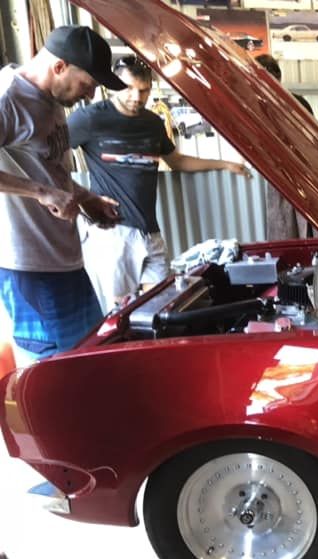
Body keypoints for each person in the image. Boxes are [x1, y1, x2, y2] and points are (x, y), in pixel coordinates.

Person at [69, 56, 250, 312]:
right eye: (127, 88)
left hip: (150, 232)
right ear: (111, 86)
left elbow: (176, 161)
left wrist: (224, 164)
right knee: (120, 311)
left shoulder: (153, 124)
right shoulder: (88, 119)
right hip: (113, 234)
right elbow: (51, 156)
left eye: (143, 90)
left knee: (165, 305)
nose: (135, 97)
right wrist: (78, 197)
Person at [0, 25, 124, 362]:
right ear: (60, 67)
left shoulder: (50, 100)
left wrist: (87, 199)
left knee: (91, 359)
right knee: (53, 375)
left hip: (66, 262)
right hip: (30, 269)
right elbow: (43, 185)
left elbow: (49, 169)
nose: (88, 97)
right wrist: (40, 193)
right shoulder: (8, 97)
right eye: (87, 85)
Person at [255, 54, 314, 240]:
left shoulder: (299, 103)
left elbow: (311, 141)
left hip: (299, 173)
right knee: (284, 229)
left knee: (303, 229)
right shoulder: (252, 104)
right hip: (276, 176)